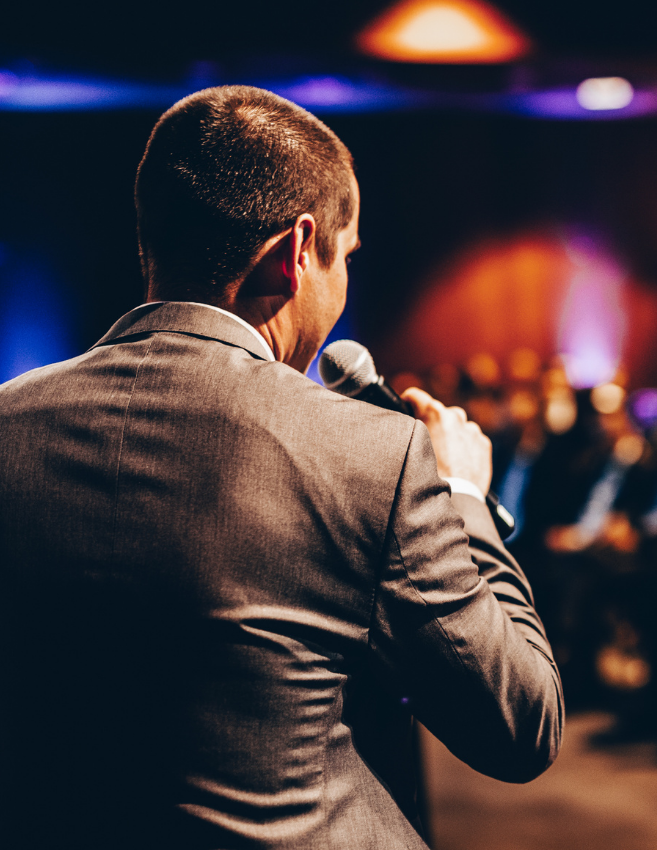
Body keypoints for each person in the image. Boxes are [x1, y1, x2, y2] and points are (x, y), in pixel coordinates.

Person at [0, 86, 562, 849]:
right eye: (346, 256)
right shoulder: (372, 451)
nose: (344, 283)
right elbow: (521, 725)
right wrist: (461, 494)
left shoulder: (9, 422)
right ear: (299, 251)